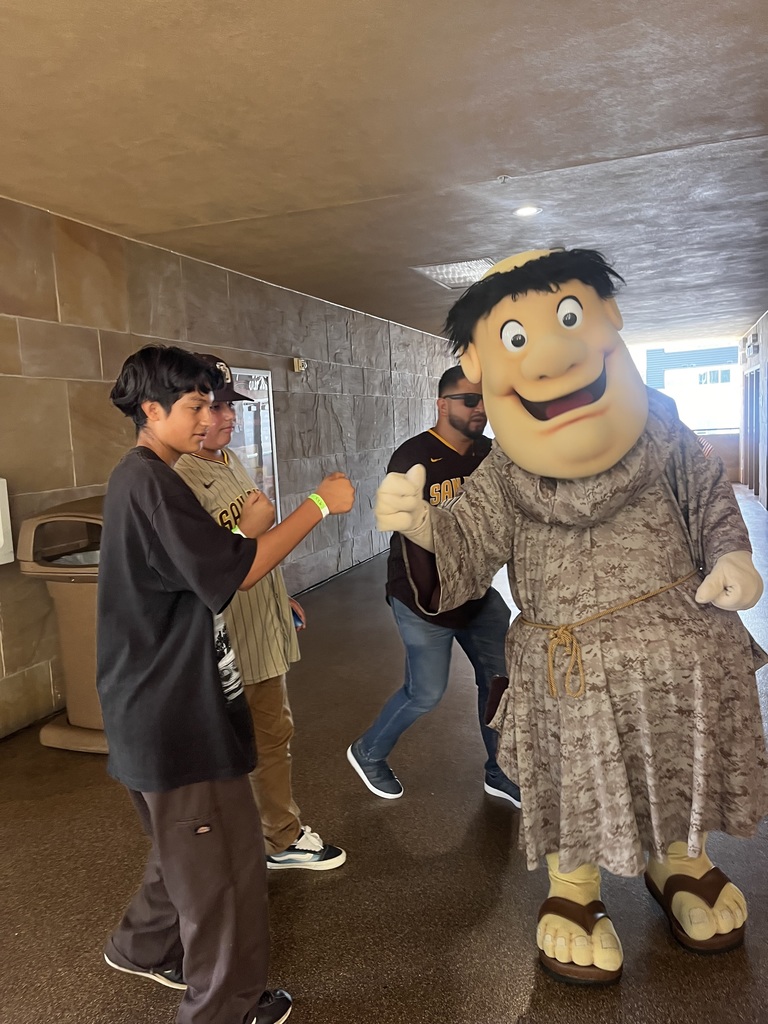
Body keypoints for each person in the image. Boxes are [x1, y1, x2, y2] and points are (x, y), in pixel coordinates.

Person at [375, 248, 767, 985]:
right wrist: (422, 528)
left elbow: (710, 496)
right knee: (576, 772)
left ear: (607, 320)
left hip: (681, 647)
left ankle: (680, 861)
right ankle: (576, 889)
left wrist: (732, 556)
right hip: (570, 667)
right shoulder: (503, 470)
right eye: (517, 339)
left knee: (677, 760)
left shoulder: (662, 427)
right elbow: (468, 543)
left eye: (567, 319)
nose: (551, 358)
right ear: (483, 364)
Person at [97, 344, 354, 1024]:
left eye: (216, 404)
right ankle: (222, 1010)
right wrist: (320, 507)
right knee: (226, 872)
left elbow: (212, 566)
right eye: (197, 406)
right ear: (151, 411)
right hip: (173, 716)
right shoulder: (151, 480)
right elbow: (236, 568)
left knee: (182, 849)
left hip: (166, 705)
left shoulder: (154, 477)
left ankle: (141, 946)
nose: (214, 417)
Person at [175, 354, 345, 870]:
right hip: (228, 638)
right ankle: (279, 838)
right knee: (264, 738)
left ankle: (256, 834)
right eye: (212, 406)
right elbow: (206, 564)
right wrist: (315, 505)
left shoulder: (227, 460)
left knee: (269, 734)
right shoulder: (177, 478)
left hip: (257, 615)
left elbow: (249, 553)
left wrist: (277, 589)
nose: (226, 417)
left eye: (228, 405)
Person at [347, 365, 521, 806]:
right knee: (425, 692)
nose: (480, 408)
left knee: (499, 682)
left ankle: (499, 771)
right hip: (423, 596)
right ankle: (368, 753)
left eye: (485, 400)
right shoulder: (414, 456)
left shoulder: (492, 455)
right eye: (469, 400)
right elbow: (413, 545)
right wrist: (433, 602)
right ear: (442, 404)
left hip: (478, 594)